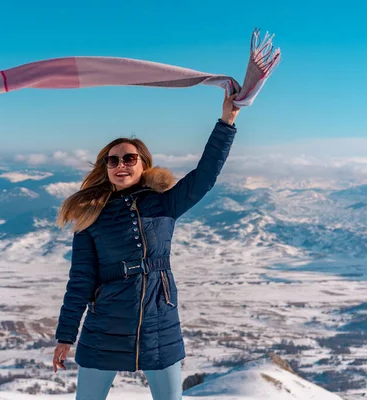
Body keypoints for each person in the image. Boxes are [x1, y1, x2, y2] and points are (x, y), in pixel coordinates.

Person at [52, 92, 240, 400]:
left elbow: (205, 176)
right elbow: (80, 280)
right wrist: (65, 335)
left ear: (144, 164)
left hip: (158, 319)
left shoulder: (164, 203)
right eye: (113, 160)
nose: (121, 165)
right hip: (105, 324)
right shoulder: (90, 214)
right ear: (106, 167)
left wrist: (226, 121)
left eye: (129, 158)